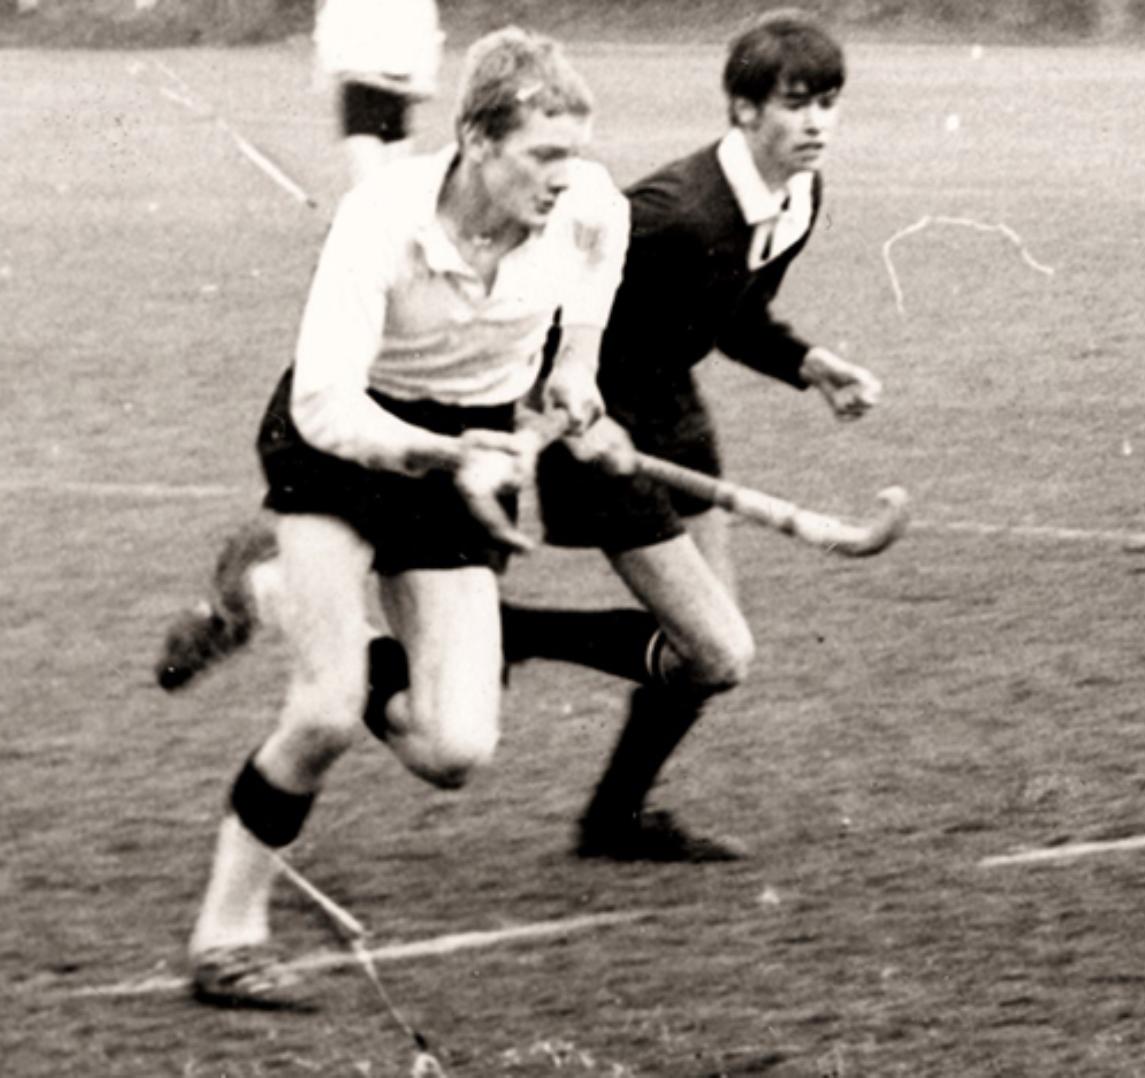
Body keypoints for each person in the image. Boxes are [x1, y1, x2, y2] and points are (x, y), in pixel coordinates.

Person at [157, 9, 880, 866]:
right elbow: (532, 314)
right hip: (565, 420)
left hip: (658, 411)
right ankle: (522, 710)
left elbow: (707, 305)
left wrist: (804, 363)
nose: (815, 123)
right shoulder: (675, 215)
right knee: (712, 649)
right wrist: (576, 405)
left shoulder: (787, 198)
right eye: (797, 103)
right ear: (744, 108)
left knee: (708, 658)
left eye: (827, 104)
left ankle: (596, 783)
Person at [183, 27, 627, 1010]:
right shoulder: (379, 220)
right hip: (345, 447)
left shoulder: (587, 205)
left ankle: (265, 589)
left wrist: (575, 369)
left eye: (574, 153)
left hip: (469, 450)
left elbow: (601, 252)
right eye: (542, 155)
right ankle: (226, 934)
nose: (566, 178)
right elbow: (323, 407)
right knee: (325, 710)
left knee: (455, 749)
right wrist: (447, 454)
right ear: (474, 140)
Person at [313, 0, 443, 185]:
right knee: (369, 181)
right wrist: (331, 65)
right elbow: (329, 30)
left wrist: (425, 78)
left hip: (398, 91)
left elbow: (427, 34)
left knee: (397, 179)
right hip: (360, 89)